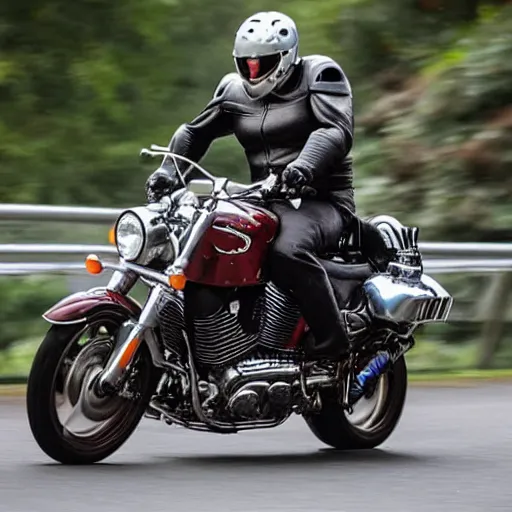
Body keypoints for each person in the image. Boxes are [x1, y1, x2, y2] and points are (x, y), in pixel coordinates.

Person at [145, 11, 372, 365]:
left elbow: (334, 131)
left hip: (320, 202)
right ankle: (216, 345)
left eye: (261, 62)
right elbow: (195, 132)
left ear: (285, 58)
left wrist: (302, 169)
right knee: (197, 242)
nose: (253, 70)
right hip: (261, 199)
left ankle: (332, 343)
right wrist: (168, 171)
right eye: (245, 62)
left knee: (285, 250)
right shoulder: (233, 89)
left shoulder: (320, 75)